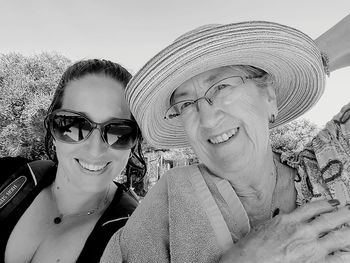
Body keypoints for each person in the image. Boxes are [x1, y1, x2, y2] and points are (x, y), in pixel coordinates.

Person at [101, 15, 350, 263]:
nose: (207, 119)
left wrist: (310, 59)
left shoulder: (337, 152)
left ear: (270, 96)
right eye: (186, 104)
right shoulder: (166, 207)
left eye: (222, 87)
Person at [0, 59, 146, 263]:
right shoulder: (9, 175)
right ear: (52, 127)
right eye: (75, 125)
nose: (95, 149)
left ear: (134, 141)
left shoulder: (133, 241)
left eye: (118, 131)